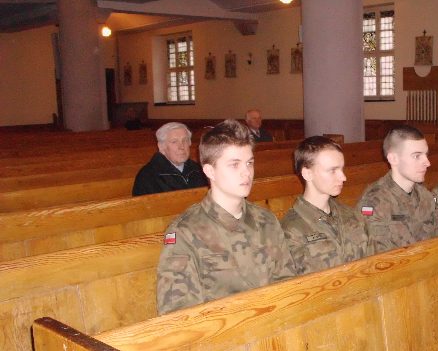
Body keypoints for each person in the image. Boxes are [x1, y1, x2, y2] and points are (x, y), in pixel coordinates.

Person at [156, 119, 296, 314]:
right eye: (234, 165)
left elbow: (288, 284)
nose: (246, 173)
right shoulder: (185, 232)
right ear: (210, 171)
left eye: (249, 163)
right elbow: (179, 314)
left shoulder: (266, 220)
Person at [280, 136, 373, 275]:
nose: (343, 177)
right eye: (332, 170)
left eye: (342, 169)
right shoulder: (290, 231)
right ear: (307, 174)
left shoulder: (353, 216)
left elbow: (373, 264)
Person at [356, 125, 438, 253]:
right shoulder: (374, 202)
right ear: (393, 159)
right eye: (417, 156)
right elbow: (376, 258)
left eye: (426, 155)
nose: (427, 162)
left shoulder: (425, 196)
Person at [132, 122, 208, 196]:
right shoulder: (147, 176)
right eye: (174, 142)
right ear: (161, 147)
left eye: (185, 140)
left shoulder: (198, 169)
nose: (181, 147)